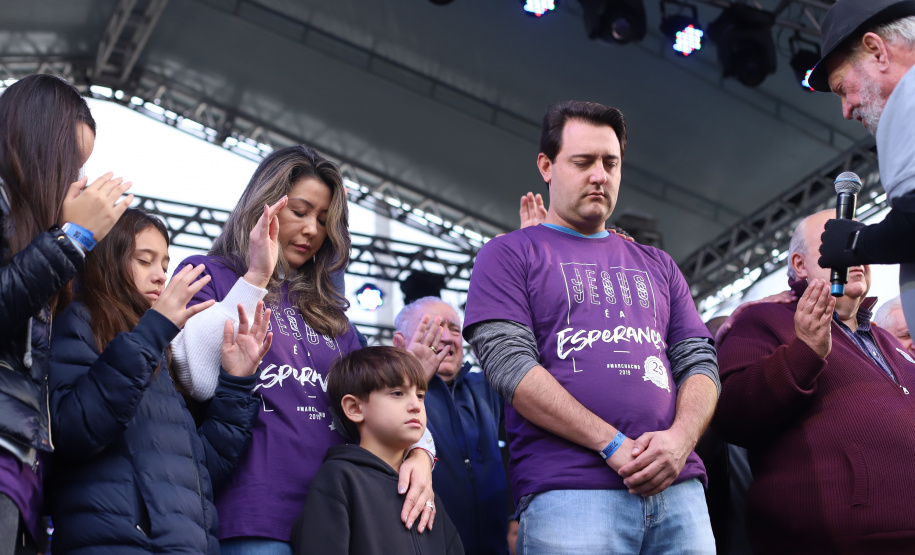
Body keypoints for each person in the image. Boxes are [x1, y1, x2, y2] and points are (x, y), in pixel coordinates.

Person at [463, 100, 719, 553]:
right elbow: (509, 366)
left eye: (610, 162)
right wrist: (611, 444)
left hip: (677, 487)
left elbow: (699, 361)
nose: (599, 174)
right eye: (582, 162)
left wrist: (680, 441)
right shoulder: (508, 254)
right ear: (546, 165)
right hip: (569, 491)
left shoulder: (658, 263)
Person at [169, 145, 436, 554]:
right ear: (263, 206)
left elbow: (376, 399)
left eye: (324, 220)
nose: (313, 229)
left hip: (338, 518)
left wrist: (420, 453)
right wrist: (257, 276)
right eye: (300, 211)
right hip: (255, 515)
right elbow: (197, 379)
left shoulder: (333, 317)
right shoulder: (211, 275)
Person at [47, 209, 268, 553]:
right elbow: (75, 429)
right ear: (106, 259)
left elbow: (196, 473)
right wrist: (154, 331)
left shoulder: (153, 351)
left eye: (165, 265)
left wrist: (237, 383)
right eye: (144, 260)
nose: (160, 276)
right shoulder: (78, 319)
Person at [713, 209, 915, 553]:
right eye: (837, 241)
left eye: (859, 243)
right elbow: (731, 415)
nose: (854, 253)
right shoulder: (763, 320)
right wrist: (805, 351)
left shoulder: (892, 342)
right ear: (799, 264)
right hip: (845, 539)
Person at [0, 74, 133, 554]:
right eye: (73, 162)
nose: (78, 179)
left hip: (23, 461)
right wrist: (71, 238)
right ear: (35, 145)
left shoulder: (37, 234)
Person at [290, 346, 464, 554]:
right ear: (354, 408)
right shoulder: (339, 478)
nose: (416, 405)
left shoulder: (425, 491)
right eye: (397, 393)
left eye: (419, 395)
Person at [808, 0, 915, 336]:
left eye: (843, 89)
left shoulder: (908, 96)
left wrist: (858, 243)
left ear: (876, 50)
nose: (846, 110)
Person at [393, 297, 510, 555]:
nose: (446, 337)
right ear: (400, 343)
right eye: (432, 329)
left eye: (455, 329)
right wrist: (412, 378)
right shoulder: (383, 394)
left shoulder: (487, 389)